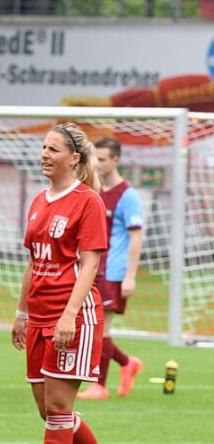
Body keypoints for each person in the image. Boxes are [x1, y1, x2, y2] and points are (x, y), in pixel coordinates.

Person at [12, 123, 127, 444]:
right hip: (39, 315)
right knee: (48, 411)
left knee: (59, 408)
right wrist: (21, 312)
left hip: (72, 315)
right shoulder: (40, 200)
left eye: (53, 149)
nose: (44, 154)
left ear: (74, 158)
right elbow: (33, 260)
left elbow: (91, 263)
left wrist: (70, 314)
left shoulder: (87, 201)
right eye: (43, 147)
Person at [78, 136, 145, 400]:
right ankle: (128, 363)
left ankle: (99, 385)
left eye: (102, 159)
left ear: (116, 160)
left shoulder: (128, 196)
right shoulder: (94, 190)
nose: (97, 163)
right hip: (94, 267)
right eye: (95, 158)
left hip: (113, 270)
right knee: (94, 326)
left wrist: (130, 276)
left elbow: (136, 237)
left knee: (101, 327)